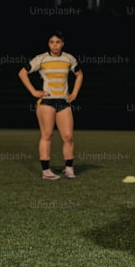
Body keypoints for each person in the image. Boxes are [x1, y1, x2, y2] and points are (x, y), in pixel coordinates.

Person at [18, 31, 83, 180]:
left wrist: (74, 94)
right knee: (47, 135)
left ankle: (68, 169)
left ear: (62, 43)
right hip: (47, 102)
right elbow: (22, 73)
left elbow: (80, 74)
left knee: (68, 136)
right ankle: (46, 171)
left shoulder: (69, 58)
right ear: (48, 44)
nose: (55, 45)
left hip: (63, 102)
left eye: (58, 42)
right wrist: (34, 91)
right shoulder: (41, 59)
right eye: (52, 42)